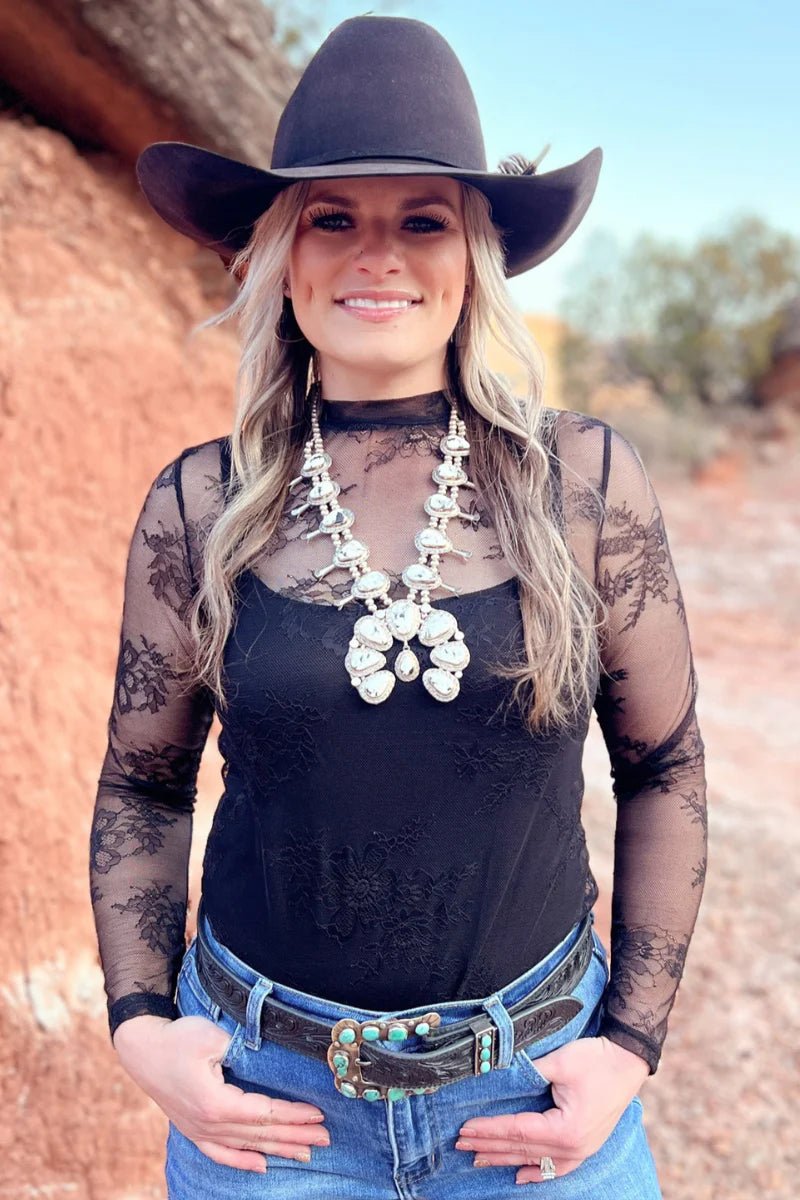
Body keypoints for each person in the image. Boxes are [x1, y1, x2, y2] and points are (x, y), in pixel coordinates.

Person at [89, 15, 707, 1198]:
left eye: (421, 220)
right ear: (281, 257)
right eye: (333, 218)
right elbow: (142, 784)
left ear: (473, 257)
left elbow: (664, 767)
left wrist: (628, 1045)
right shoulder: (199, 503)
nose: (376, 255)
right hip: (267, 1114)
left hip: (531, 1107)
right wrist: (140, 1027)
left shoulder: (581, 482)